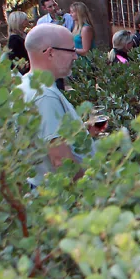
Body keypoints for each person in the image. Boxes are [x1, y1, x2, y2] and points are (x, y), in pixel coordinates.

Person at [19, 23, 88, 175]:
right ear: (50, 53)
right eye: (71, 50)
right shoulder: (44, 96)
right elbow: (61, 162)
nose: (75, 56)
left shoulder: (28, 84)